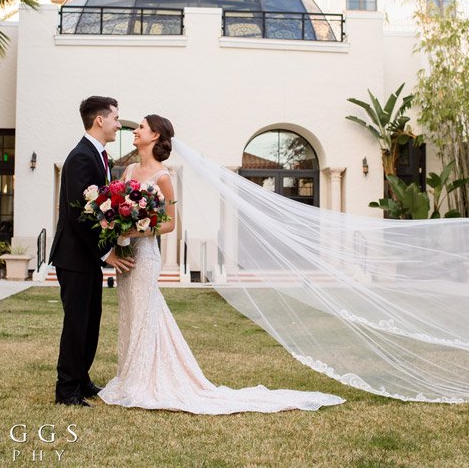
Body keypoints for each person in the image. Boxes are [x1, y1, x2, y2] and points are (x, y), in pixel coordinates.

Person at [97, 115, 346, 414]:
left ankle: (145, 380)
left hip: (146, 253)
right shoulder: (130, 170)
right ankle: (129, 376)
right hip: (127, 253)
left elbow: (169, 224)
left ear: (155, 136)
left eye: (141, 128)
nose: (135, 131)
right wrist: (117, 228)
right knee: (130, 312)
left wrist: (134, 230)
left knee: (144, 312)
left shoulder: (163, 177)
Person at [49, 96, 135, 407]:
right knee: (76, 322)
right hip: (75, 256)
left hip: (86, 257)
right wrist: (106, 254)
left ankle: (81, 379)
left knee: (90, 320)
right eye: (115, 117)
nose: (118, 123)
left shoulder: (99, 156)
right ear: (99, 119)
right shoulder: (81, 157)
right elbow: (79, 214)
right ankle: (66, 389)